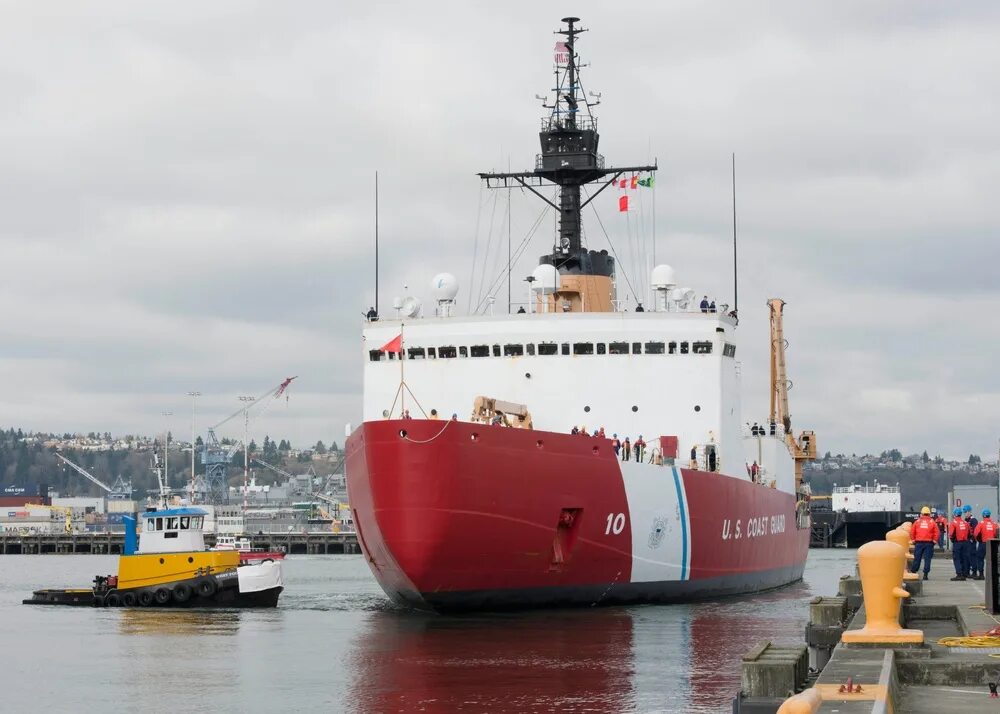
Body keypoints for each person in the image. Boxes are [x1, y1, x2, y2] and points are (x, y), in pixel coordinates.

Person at [910, 506, 939, 580]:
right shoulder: (932, 522)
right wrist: (934, 541)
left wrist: (913, 540)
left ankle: (913, 572)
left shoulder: (917, 522)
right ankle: (925, 574)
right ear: (929, 514)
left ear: (921, 513)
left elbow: (912, 532)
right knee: (927, 559)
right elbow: (937, 533)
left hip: (919, 543)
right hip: (929, 543)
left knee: (917, 558)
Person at [973, 509, 997, 580]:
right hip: (992, 544)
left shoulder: (981, 523)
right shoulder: (994, 524)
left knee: (980, 559)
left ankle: (981, 574)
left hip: (983, 543)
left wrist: (979, 540)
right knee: (993, 559)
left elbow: (976, 533)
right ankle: (993, 575)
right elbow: (996, 534)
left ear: (983, 515)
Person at [949, 507, 972, 581]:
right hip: (965, 543)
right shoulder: (965, 523)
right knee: (964, 558)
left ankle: (959, 574)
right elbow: (970, 534)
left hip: (957, 543)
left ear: (955, 514)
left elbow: (951, 534)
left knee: (957, 558)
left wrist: (953, 540)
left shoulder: (953, 523)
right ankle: (964, 574)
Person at [964, 505, 979, 577]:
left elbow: (976, 531)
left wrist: (972, 539)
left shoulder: (973, 520)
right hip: (966, 541)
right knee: (966, 557)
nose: (965, 514)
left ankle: (974, 572)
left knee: (972, 556)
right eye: (964, 512)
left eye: (966, 512)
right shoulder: (965, 520)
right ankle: (967, 572)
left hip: (971, 541)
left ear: (969, 512)